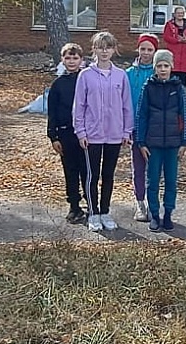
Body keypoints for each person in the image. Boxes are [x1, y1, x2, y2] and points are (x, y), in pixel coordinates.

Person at [73, 31, 133, 231]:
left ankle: (105, 211)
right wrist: (81, 132)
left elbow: (126, 105)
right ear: (94, 49)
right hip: (92, 136)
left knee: (108, 175)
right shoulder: (85, 75)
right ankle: (93, 212)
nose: (104, 51)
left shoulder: (120, 75)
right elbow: (79, 106)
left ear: (114, 49)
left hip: (114, 135)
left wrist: (126, 131)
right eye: (100, 47)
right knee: (92, 175)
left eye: (108, 47)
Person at [134, 50, 186, 231]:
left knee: (171, 181)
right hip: (153, 144)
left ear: (172, 67)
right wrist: (141, 142)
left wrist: (184, 141)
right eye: (159, 66)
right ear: (154, 68)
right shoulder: (148, 87)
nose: (163, 69)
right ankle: (155, 215)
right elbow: (141, 116)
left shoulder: (178, 88)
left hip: (173, 144)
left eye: (166, 65)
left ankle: (168, 214)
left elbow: (185, 115)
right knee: (152, 180)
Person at [47, 43, 87, 224]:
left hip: (86, 134)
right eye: (68, 58)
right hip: (65, 134)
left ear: (81, 60)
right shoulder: (57, 84)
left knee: (87, 170)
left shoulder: (86, 81)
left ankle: (92, 203)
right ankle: (74, 206)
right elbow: (52, 112)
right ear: (62, 60)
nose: (71, 61)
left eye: (75, 58)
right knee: (70, 171)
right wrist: (53, 137)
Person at [125, 33, 159, 222]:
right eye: (143, 49)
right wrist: (127, 127)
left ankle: (153, 203)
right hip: (137, 128)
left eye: (150, 49)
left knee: (154, 167)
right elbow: (125, 102)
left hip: (155, 129)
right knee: (139, 167)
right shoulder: (129, 74)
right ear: (138, 49)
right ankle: (140, 203)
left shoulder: (159, 72)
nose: (146, 53)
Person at [161, 5, 186, 84]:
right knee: (172, 77)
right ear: (174, 14)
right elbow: (166, 37)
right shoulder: (169, 24)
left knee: (183, 80)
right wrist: (177, 40)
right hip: (173, 53)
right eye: (178, 13)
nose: (180, 15)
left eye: (182, 13)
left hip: (185, 55)